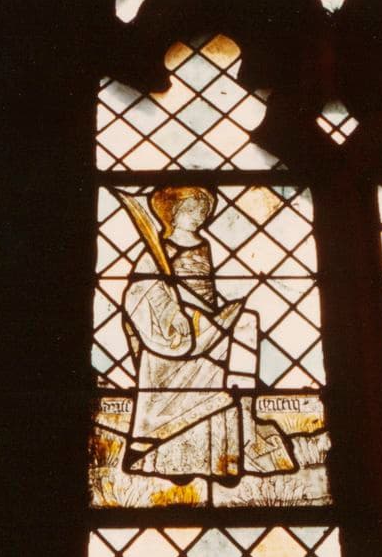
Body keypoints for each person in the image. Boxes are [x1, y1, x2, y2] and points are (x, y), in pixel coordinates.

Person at [118, 186, 294, 484]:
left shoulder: (203, 245)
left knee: (245, 325)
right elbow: (141, 291)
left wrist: (214, 314)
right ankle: (171, 460)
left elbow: (205, 293)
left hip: (205, 324)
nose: (197, 216)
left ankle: (222, 459)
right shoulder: (156, 253)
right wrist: (174, 314)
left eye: (202, 210)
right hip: (176, 334)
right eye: (189, 210)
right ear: (172, 215)